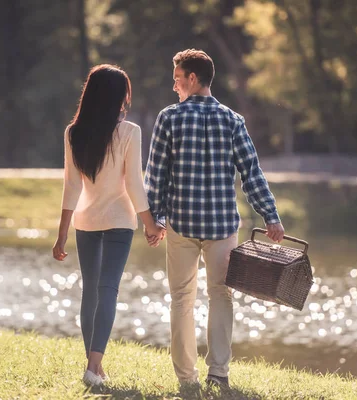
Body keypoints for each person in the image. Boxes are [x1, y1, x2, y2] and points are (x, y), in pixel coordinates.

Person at [144, 49, 285, 389]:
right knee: (221, 296)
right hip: (222, 227)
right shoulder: (233, 120)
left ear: (193, 79)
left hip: (181, 225)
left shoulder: (169, 118)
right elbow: (252, 174)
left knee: (182, 299)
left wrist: (155, 220)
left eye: (178, 79)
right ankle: (218, 374)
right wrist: (271, 217)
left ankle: (187, 379)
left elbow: (156, 176)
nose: (175, 86)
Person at [52, 64, 165, 386]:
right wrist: (151, 224)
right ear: (119, 97)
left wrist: (62, 234)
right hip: (118, 221)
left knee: (91, 291)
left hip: (85, 220)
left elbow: (71, 186)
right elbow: (134, 184)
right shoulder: (129, 132)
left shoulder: (74, 132)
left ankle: (94, 366)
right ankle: (93, 366)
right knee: (107, 290)